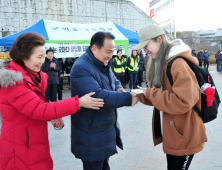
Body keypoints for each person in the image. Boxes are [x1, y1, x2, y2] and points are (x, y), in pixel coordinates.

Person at [0, 32, 104, 170]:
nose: (43, 61)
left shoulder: (32, 77)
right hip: (19, 147)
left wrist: (52, 116)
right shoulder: (14, 83)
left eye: (44, 56)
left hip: (32, 142)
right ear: (24, 56)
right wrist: (78, 102)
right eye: (39, 57)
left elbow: (33, 108)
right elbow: (39, 109)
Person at [133, 24, 207, 170]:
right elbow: (162, 97)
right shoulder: (164, 63)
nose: (145, 51)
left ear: (159, 40)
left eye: (147, 46)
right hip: (174, 134)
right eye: (143, 48)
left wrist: (150, 93)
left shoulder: (177, 64)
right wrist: (141, 95)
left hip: (185, 135)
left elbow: (183, 101)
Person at [70, 31, 138, 170]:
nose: (111, 55)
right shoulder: (81, 67)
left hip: (103, 129)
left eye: (112, 51)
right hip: (90, 133)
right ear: (94, 48)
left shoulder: (103, 62)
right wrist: (129, 97)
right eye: (108, 51)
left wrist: (119, 90)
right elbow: (98, 96)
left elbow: (115, 81)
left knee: (104, 165)